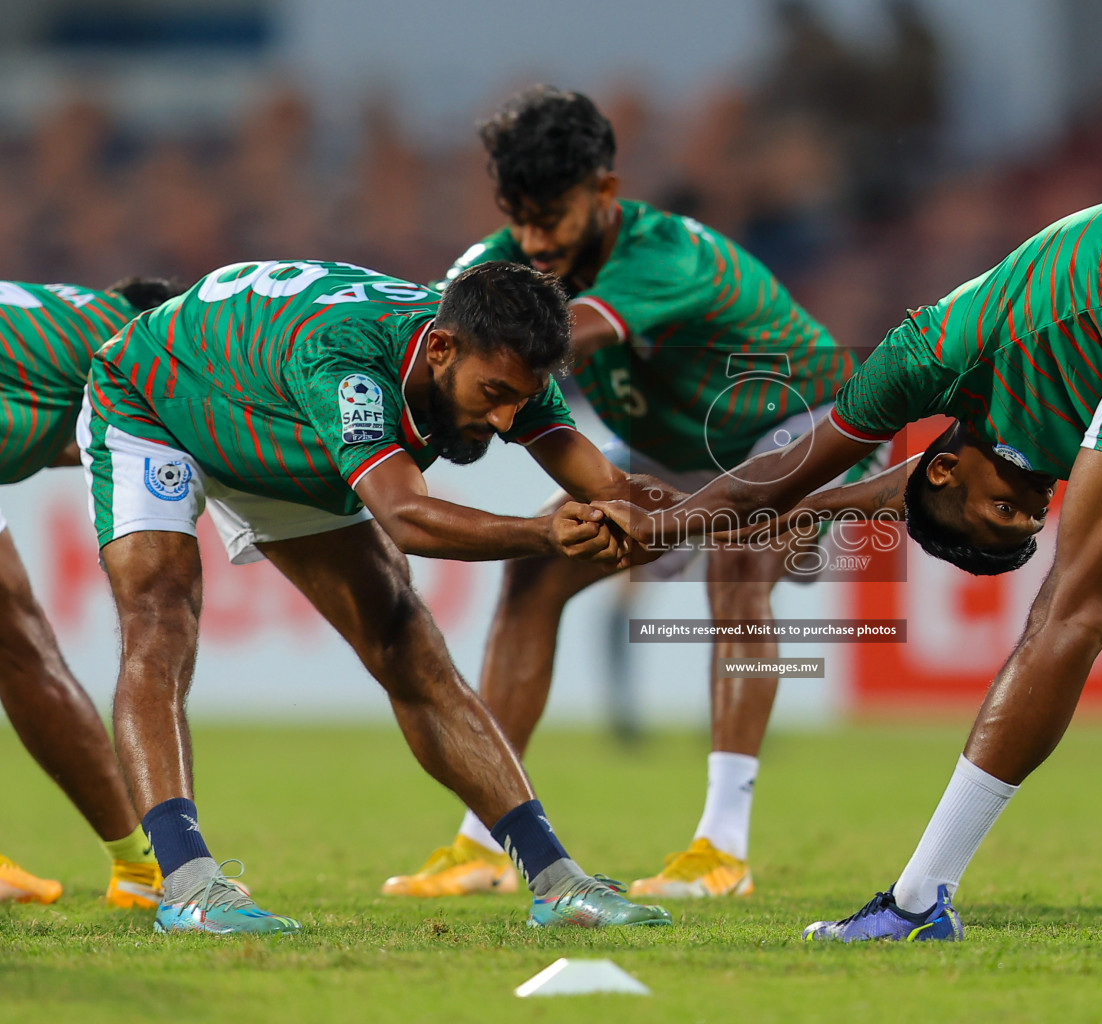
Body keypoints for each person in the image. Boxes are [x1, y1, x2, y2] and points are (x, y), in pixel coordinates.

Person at [596, 187, 1102, 940]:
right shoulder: (1003, 436)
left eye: (1006, 512)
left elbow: (789, 470)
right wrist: (819, 511)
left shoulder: (915, 358)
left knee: (1067, 613)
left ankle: (913, 902)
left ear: (944, 470)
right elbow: (889, 488)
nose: (1037, 506)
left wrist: (662, 528)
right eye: (1025, 519)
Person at [79, 257, 674, 933]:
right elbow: (407, 518)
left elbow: (612, 490)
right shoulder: (348, 357)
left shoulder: (503, 357)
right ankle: (187, 886)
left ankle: (559, 884)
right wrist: (543, 533)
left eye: (522, 398)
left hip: (278, 423)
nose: (508, 418)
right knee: (161, 620)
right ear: (443, 348)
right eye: (494, 393)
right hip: (156, 396)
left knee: (406, 642)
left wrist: (738, 510)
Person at [384, 86, 869, 901]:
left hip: (798, 424)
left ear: (604, 193)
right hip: (673, 448)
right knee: (537, 571)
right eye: (519, 217)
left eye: (553, 218)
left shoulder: (665, 254)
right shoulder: (498, 261)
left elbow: (549, 342)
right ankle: (481, 842)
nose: (535, 242)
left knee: (739, 561)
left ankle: (722, 848)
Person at [0, 276, 173, 909]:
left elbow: (38, 435)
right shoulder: (139, 344)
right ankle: (139, 869)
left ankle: (137, 868)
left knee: (19, 645)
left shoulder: (58, 323)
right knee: (24, 651)